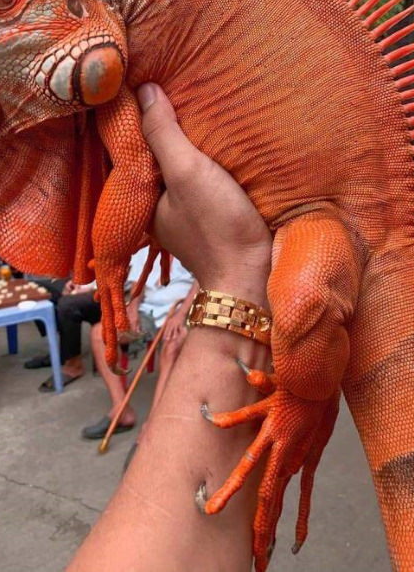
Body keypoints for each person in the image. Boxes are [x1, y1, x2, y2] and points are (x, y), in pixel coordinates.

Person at [67, 84, 273, 572]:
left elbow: (193, 279)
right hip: (174, 300)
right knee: (102, 333)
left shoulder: (184, 191)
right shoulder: (139, 203)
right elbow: (139, 268)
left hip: (191, 303)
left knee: (176, 347)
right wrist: (126, 302)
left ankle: (155, 434)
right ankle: (125, 410)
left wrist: (207, 301)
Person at [81, 247, 197, 440]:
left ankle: (153, 424)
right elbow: (138, 283)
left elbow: (201, 283)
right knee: (99, 334)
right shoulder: (148, 246)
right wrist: (132, 309)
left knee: (172, 346)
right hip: (148, 311)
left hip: (180, 311)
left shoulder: (190, 242)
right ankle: (121, 410)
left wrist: (181, 314)